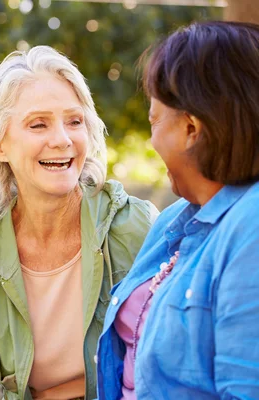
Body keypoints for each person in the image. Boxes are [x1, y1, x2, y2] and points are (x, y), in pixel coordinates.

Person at [0, 45, 158, 400]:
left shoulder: (136, 227)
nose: (62, 140)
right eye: (38, 124)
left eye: (74, 121)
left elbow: (165, 364)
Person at [96, 21, 259, 400]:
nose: (151, 139)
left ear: (190, 128)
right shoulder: (175, 219)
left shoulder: (251, 224)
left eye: (154, 120)